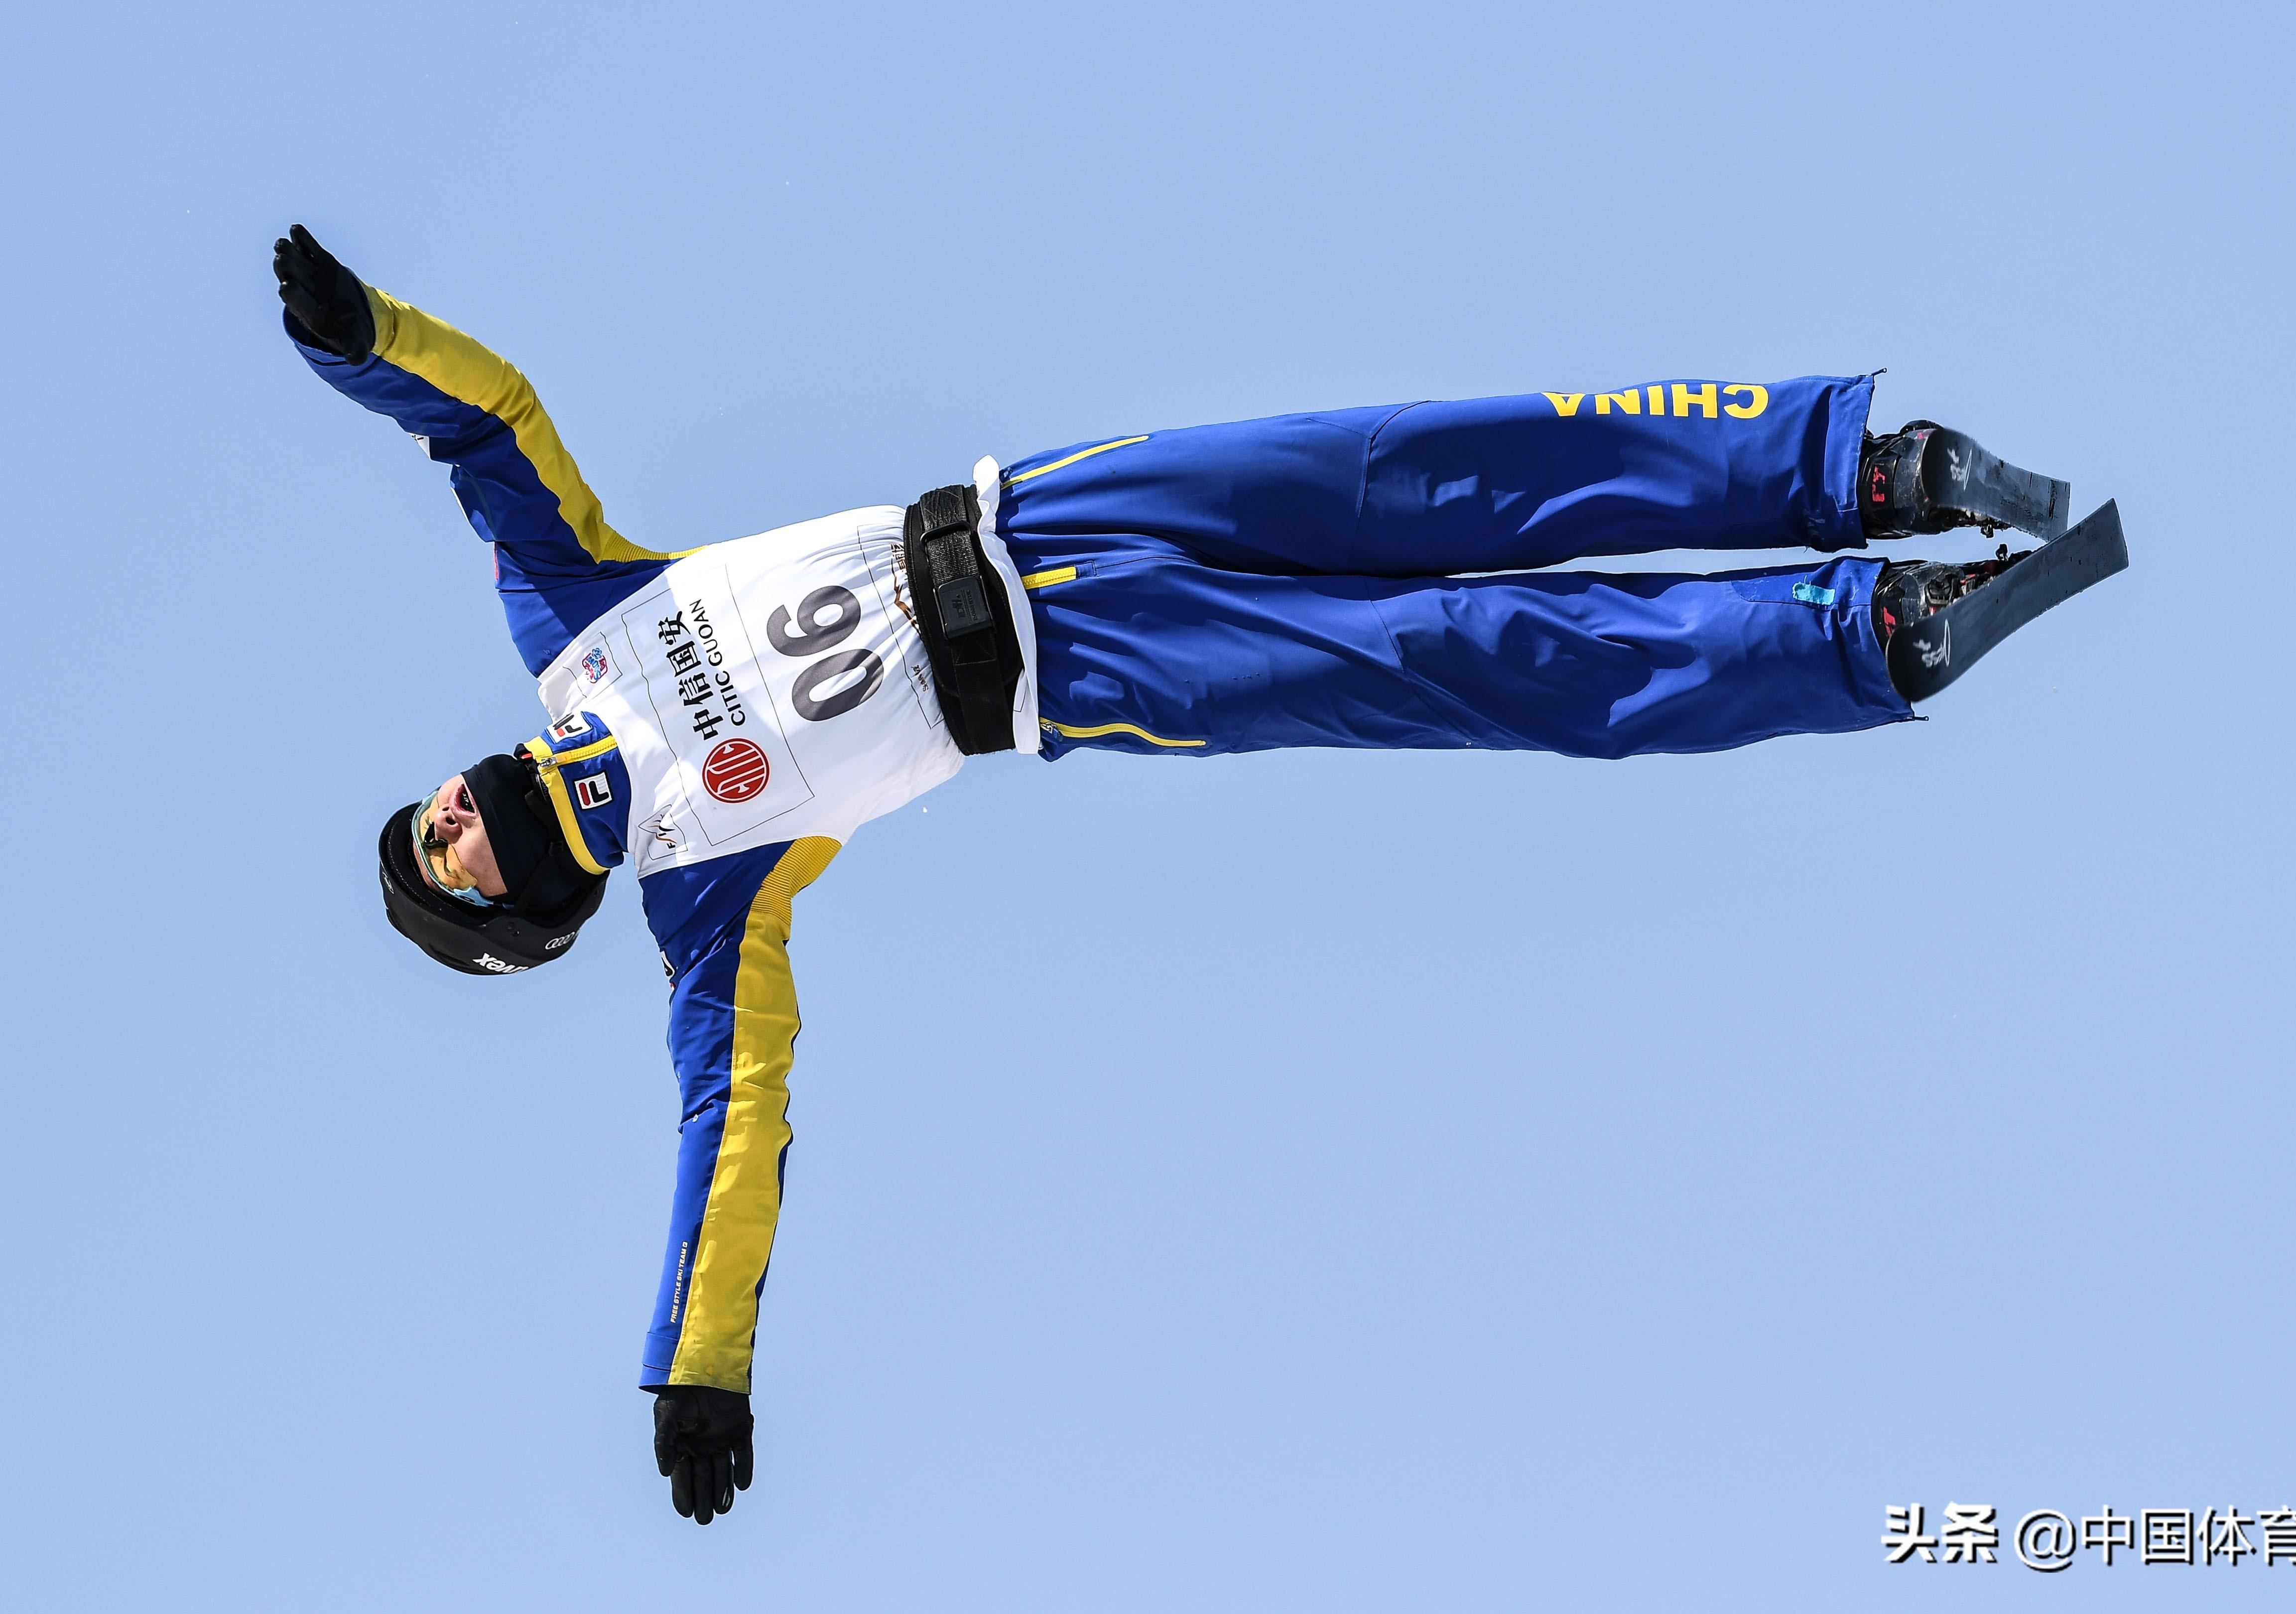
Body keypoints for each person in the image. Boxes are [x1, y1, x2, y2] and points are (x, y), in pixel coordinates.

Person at [274, 224, 2099, 1524]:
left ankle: (1847, 464)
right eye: (437, 866)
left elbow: (487, 426)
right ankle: (1866, 632)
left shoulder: (572, 616)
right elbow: (731, 1133)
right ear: (516, 914)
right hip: (1102, 681)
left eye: (416, 817)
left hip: (1050, 509)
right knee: (1453, 669)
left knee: (1436, 472)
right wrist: (701, 1369)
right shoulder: (705, 897)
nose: (440, 815)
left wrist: (363, 340)